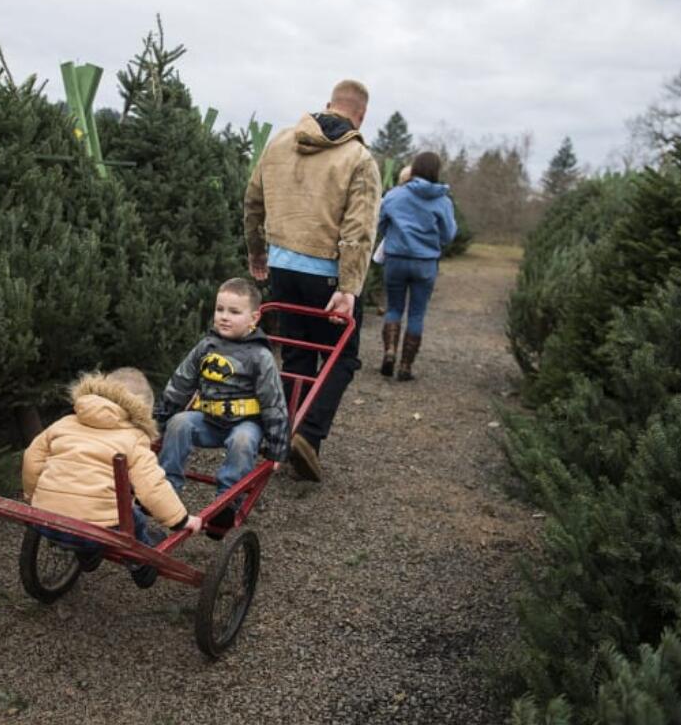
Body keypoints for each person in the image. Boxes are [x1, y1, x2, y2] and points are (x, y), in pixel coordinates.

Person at [243, 79, 381, 481]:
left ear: (327, 105)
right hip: (327, 274)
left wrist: (257, 252)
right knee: (343, 356)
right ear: (362, 115)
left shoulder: (281, 142)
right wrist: (349, 288)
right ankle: (309, 432)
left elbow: (253, 201)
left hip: (284, 267)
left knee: (298, 353)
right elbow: (358, 230)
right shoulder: (358, 158)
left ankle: (285, 437)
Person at [22, 368, 203, 585]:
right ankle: (141, 564)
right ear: (142, 408)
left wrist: (33, 497)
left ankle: (87, 557)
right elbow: (152, 486)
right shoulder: (133, 438)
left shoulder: (64, 423)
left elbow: (32, 459)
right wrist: (180, 519)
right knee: (135, 518)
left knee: (90, 510)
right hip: (96, 532)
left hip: (43, 522)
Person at [155, 278, 289, 529]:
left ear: (254, 318)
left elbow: (274, 402)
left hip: (245, 424)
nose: (224, 317)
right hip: (208, 420)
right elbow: (181, 382)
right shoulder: (206, 346)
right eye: (220, 310)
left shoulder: (260, 356)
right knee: (178, 423)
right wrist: (161, 418)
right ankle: (166, 487)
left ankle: (226, 502)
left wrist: (277, 447)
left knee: (242, 441)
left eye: (234, 312)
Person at [377, 151, 457, 380]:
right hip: (425, 263)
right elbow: (449, 235)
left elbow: (381, 224)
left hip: (396, 259)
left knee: (393, 308)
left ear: (414, 169)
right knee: (417, 313)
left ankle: (389, 351)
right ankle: (405, 367)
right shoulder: (443, 201)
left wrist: (395, 237)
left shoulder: (395, 195)